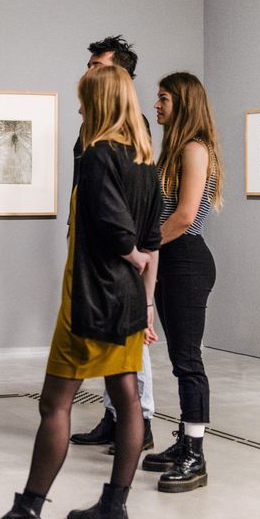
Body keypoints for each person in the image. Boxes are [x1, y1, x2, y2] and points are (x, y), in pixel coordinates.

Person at [0, 65, 162, 519]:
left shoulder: (97, 155)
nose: (78, 108)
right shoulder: (145, 160)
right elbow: (153, 239)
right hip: (128, 303)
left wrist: (131, 256)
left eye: (82, 100)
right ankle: (114, 509)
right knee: (128, 400)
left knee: (55, 405)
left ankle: (26, 513)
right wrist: (147, 301)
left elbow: (118, 231)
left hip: (91, 300)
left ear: (98, 102)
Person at [70, 35, 155, 453]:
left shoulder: (126, 136)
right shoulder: (94, 132)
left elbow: (124, 214)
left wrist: (134, 254)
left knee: (126, 348)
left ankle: (140, 421)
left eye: (97, 66)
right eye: (89, 66)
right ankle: (117, 418)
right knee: (114, 351)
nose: (89, 73)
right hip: (98, 254)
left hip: (117, 258)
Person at [141, 72, 222, 493]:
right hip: (172, 261)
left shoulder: (193, 149)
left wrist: (144, 244)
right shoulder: (173, 149)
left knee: (189, 361)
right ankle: (183, 442)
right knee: (178, 361)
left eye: (163, 99)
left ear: (183, 104)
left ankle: (196, 455)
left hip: (187, 261)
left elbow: (186, 215)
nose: (156, 106)